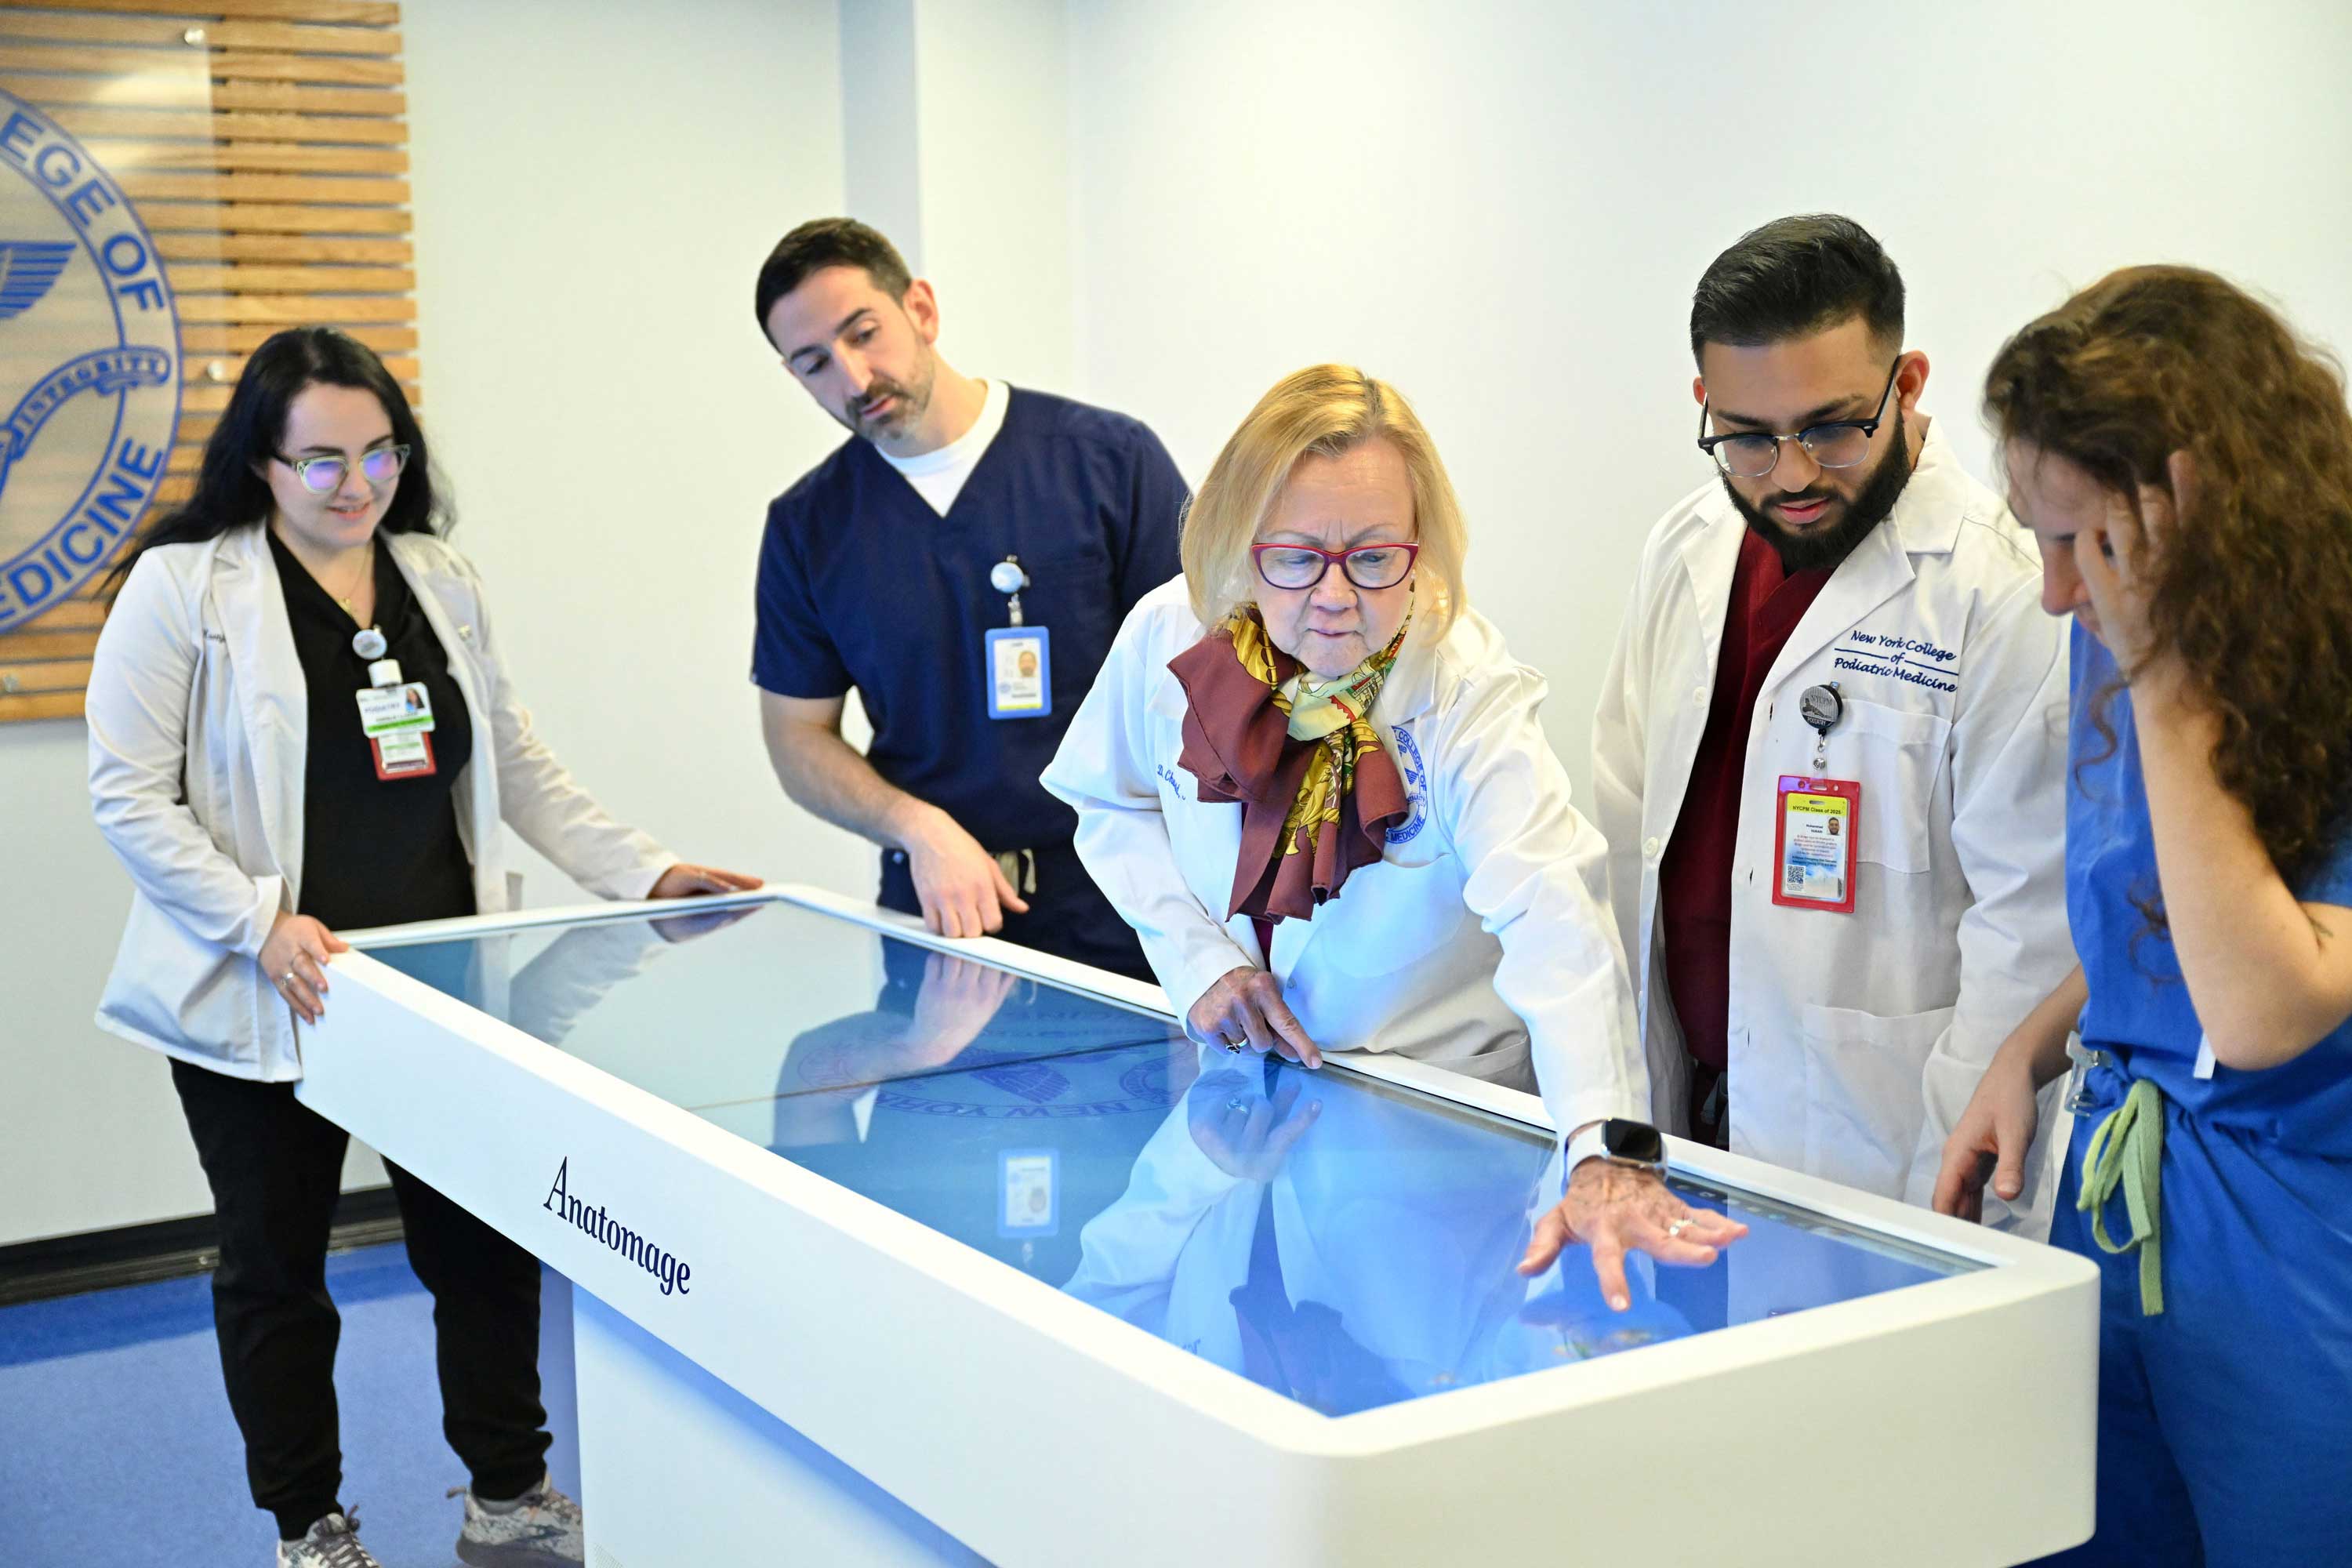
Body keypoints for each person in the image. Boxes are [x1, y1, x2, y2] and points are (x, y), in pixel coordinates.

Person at [85, 327, 761, 1568]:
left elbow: (513, 765)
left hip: (439, 987)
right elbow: (129, 796)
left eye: (381, 451)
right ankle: (310, 1525)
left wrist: (644, 870)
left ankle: (506, 1492)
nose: (358, 483)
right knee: (277, 1270)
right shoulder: (186, 588)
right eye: (323, 460)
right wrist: (259, 923)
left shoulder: (438, 575)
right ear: (261, 462)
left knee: (483, 1248)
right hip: (272, 985)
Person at [1044, 363, 1744, 1307]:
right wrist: (1197, 958)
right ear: (1237, 541)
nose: (1335, 596)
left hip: (1434, 1120)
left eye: (1375, 557)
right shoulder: (1172, 630)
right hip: (1241, 1104)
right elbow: (1108, 798)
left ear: (1423, 548)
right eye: (1295, 555)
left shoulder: (1460, 689)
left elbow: (1553, 908)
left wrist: (1605, 1145)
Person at [1936, 267, 2352, 1564]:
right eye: (2037, 539)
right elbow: (2153, 906)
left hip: (2299, 1248)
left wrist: (2165, 676)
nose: (2058, 592)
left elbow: (2268, 1003)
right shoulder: (2116, 613)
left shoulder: (2161, 634)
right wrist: (2038, 1044)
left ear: (2206, 505)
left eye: (2083, 542)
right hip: (2123, 1191)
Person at [1591, 214, 2074, 1227]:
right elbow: (1628, 826)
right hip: (1687, 1117)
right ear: (1706, 405)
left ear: (1908, 384)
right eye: (1751, 438)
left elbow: (2027, 935)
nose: (1795, 473)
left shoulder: (2002, 588)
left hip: (1885, 1151)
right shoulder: (1686, 548)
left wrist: (1940, 1219)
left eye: (1833, 426)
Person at [750, 217, 1185, 980]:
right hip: (939, 919)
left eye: (864, 334)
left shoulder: (1109, 463)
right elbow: (797, 737)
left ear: (921, 308)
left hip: (1130, 904)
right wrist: (915, 827)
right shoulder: (808, 526)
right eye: (815, 362)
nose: (852, 379)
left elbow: (1207, 682)